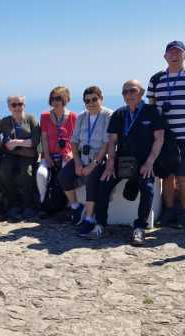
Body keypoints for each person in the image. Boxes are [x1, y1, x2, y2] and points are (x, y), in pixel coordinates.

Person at [94, 80, 166, 246]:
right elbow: (112, 141)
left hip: (144, 161)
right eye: (125, 92)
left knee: (147, 188)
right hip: (122, 161)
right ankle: (100, 224)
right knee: (104, 182)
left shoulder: (152, 112)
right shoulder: (119, 114)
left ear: (141, 93)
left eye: (132, 90)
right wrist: (110, 165)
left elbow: (159, 138)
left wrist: (150, 162)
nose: (128, 94)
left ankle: (139, 228)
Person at [147, 40, 185, 228]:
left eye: (178, 52)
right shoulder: (156, 79)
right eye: (171, 52)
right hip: (164, 138)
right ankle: (169, 211)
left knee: (183, 177)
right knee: (167, 176)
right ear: (165, 56)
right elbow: (152, 109)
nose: (174, 55)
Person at [73, 86, 115, 238]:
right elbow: (74, 142)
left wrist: (92, 165)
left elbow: (106, 143)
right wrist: (77, 163)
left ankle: (89, 218)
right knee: (63, 176)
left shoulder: (108, 115)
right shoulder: (81, 116)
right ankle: (76, 207)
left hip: (100, 159)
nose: (91, 103)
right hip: (82, 157)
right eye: (87, 101)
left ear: (101, 99)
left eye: (94, 99)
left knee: (91, 179)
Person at [37, 86, 80, 220]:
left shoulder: (73, 117)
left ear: (65, 100)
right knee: (41, 174)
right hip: (49, 154)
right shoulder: (45, 116)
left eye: (58, 98)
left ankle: (68, 206)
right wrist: (47, 156)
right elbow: (44, 138)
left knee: (64, 176)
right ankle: (44, 203)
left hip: (66, 155)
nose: (55, 101)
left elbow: (76, 139)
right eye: (53, 98)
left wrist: (72, 154)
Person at [0, 95, 41, 221]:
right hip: (10, 155)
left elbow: (35, 141)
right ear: (9, 107)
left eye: (20, 104)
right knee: (5, 172)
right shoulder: (5, 122)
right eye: (14, 105)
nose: (17, 107)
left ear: (24, 105)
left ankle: (28, 205)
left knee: (27, 173)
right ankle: (13, 204)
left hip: (27, 155)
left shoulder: (31, 119)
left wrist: (16, 142)